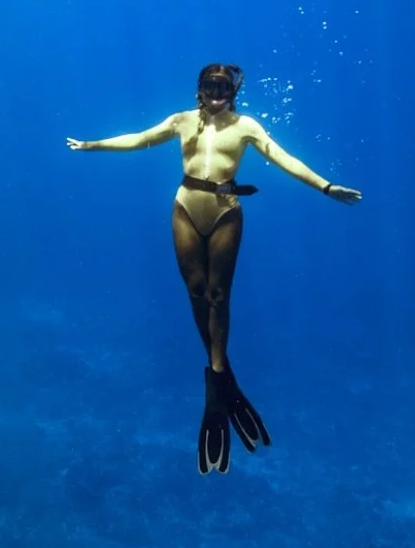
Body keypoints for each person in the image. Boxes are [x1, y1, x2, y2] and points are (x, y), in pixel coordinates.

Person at [68, 64, 362, 474]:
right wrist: (93, 145)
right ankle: (222, 378)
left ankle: (217, 375)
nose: (216, 93)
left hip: (226, 211)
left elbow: (283, 159)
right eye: (210, 86)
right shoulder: (182, 121)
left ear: (233, 91)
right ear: (199, 89)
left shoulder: (246, 126)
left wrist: (326, 187)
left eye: (223, 87)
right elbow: (139, 138)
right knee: (195, 289)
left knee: (218, 294)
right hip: (186, 206)